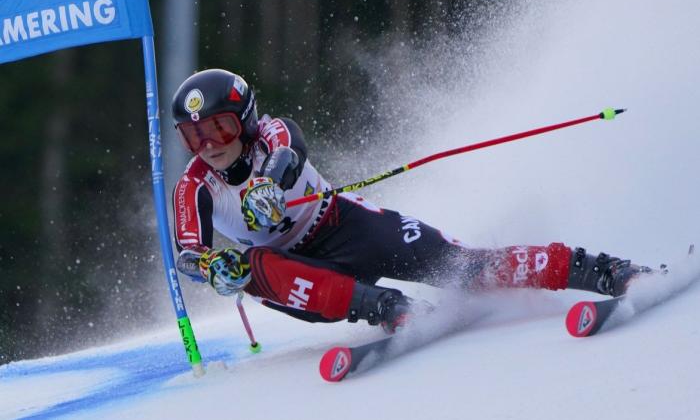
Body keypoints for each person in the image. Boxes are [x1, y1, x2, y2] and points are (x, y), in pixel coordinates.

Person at [170, 69, 652, 332]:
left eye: (220, 127)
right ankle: (387, 307)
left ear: (245, 121)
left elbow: (289, 146)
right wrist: (214, 268)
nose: (209, 144)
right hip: (300, 278)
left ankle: (599, 270)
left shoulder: (269, 135)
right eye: (194, 137)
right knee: (253, 266)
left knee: (462, 267)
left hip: (345, 227)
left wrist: (270, 183)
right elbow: (189, 257)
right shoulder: (193, 188)